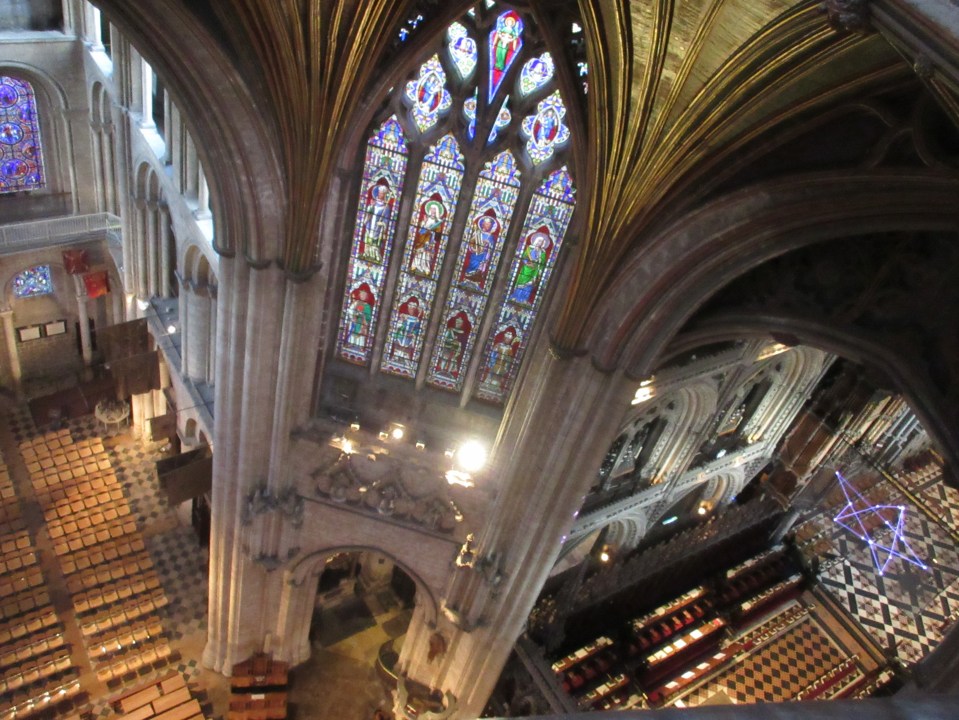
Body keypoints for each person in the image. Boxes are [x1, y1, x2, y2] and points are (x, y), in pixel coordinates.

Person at [509, 230, 551, 304]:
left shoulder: (543, 253)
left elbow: (542, 263)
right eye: (538, 241)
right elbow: (524, 257)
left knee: (529, 285)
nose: (539, 243)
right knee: (521, 282)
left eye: (541, 242)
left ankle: (524, 299)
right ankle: (516, 296)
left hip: (535, 271)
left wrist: (538, 263)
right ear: (536, 241)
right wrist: (527, 263)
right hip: (526, 269)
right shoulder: (529, 249)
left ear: (543, 244)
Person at [460, 214, 498, 288]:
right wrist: (473, 249)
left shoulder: (490, 236)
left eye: (489, 224)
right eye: (486, 224)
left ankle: (476, 282)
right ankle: (467, 279)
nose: (487, 226)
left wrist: (488, 244)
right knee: (472, 266)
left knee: (479, 269)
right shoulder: (477, 233)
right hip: (475, 254)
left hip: (483, 256)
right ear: (483, 224)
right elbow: (471, 243)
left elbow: (493, 247)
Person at [410, 199, 445, 276]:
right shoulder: (426, 219)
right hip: (422, 238)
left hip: (430, 240)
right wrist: (425, 223)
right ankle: (414, 266)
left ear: (436, 212)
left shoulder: (437, 221)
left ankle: (426, 268)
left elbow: (438, 233)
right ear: (429, 210)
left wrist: (434, 231)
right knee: (419, 254)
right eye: (432, 210)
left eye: (434, 210)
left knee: (427, 255)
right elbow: (420, 229)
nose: (433, 212)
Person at [360, 182, 393, 262]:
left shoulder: (386, 207)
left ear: (384, 195)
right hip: (370, 225)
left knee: (375, 242)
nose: (380, 195)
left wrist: (382, 224)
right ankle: (366, 253)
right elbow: (368, 213)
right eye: (379, 193)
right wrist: (371, 207)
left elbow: (386, 219)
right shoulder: (373, 203)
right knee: (368, 240)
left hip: (378, 228)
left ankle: (375, 256)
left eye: (382, 194)